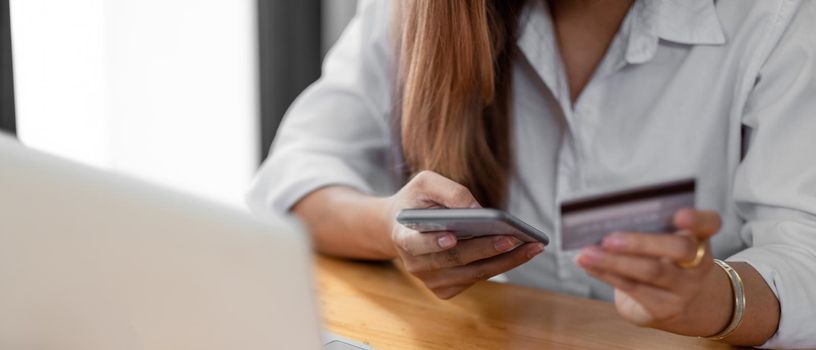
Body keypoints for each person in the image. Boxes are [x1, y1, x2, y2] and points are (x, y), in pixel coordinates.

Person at [248, 0, 816, 348]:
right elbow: (291, 181)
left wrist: (714, 298)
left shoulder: (778, 17)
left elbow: (805, 259)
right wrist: (393, 227)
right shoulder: (415, 10)